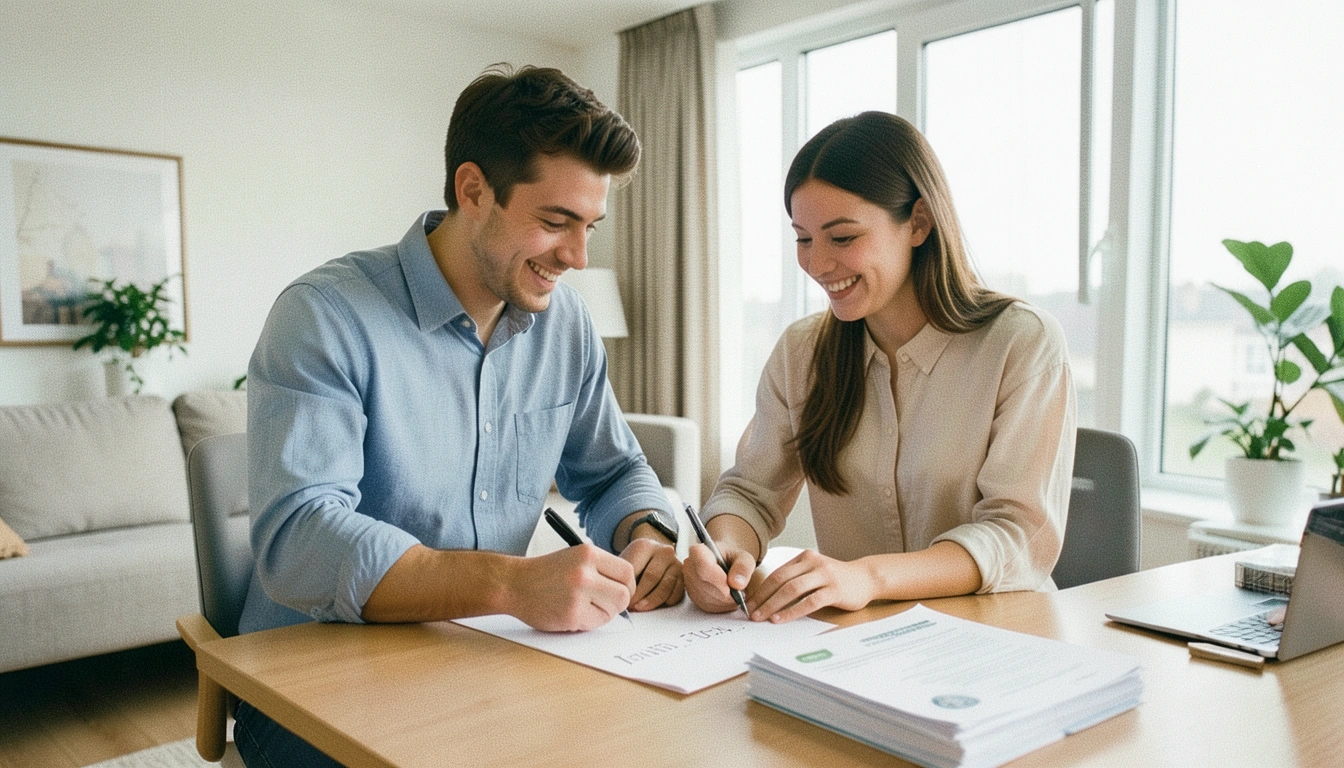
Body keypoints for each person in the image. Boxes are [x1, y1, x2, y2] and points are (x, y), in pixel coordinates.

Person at [236, 65, 683, 767]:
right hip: (314, 685)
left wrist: (648, 535)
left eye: (590, 225)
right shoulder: (323, 315)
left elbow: (615, 468)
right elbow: (299, 538)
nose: (577, 256)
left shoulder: (563, 322)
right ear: (473, 190)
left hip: (489, 659)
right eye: (555, 222)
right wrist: (509, 583)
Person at [685, 111, 1076, 624]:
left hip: (994, 635)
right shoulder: (801, 352)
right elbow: (750, 491)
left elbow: (1015, 534)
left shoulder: (1021, 342)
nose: (818, 264)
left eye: (842, 238)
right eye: (803, 238)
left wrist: (867, 576)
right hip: (859, 640)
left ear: (918, 223)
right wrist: (725, 549)